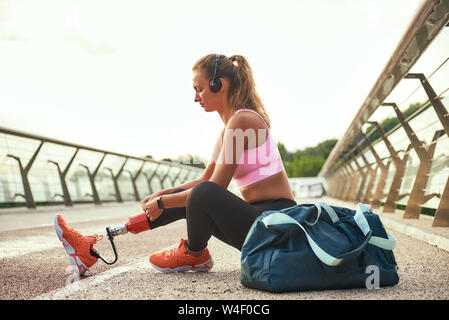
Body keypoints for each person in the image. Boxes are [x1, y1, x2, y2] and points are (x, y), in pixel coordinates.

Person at [55, 54, 296, 276]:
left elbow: (215, 188)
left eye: (199, 89)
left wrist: (163, 203)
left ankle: (194, 253)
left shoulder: (243, 121)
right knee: (192, 195)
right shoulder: (227, 131)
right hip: (259, 222)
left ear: (217, 85)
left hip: (276, 225)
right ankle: (95, 243)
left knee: (201, 195)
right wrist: (165, 194)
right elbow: (204, 182)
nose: (196, 98)